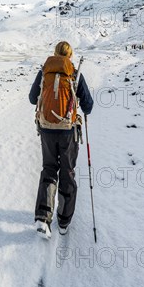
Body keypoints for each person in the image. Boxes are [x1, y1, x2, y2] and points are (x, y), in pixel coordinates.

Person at [29, 41, 93, 239]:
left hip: (47, 129)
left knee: (49, 169)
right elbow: (88, 105)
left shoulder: (45, 71)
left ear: (55, 53)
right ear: (70, 55)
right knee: (67, 172)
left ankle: (43, 216)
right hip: (68, 131)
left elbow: (32, 98)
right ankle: (63, 222)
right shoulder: (75, 72)